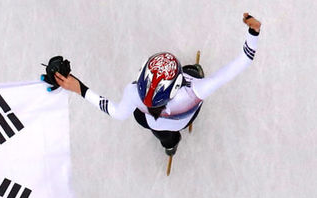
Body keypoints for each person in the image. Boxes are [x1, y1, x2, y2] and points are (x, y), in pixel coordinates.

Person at [52, 13, 261, 156]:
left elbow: (115, 111)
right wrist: (254, 32)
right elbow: (244, 60)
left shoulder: (134, 92)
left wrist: (79, 87)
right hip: (186, 116)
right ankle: (192, 74)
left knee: (142, 119)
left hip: (154, 123)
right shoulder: (197, 89)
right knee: (193, 72)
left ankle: (170, 145)